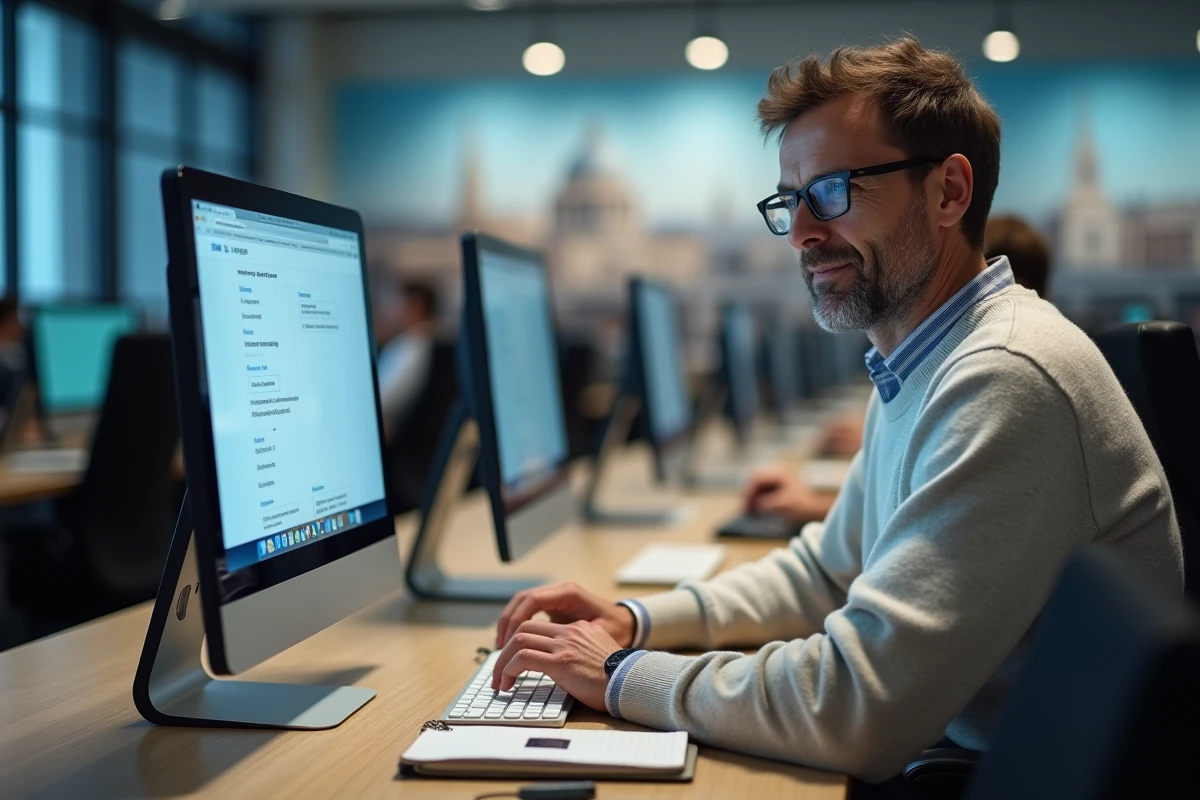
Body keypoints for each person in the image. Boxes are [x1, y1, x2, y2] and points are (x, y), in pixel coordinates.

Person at [487, 38, 1183, 784]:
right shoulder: (924, 356)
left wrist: (624, 673)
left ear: (949, 192)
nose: (801, 233)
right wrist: (636, 620)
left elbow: (856, 709)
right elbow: (829, 570)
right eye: (791, 200)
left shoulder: (1004, 375)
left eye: (833, 191)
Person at [374, 278, 439, 433]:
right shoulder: (415, 342)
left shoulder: (414, 347)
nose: (392, 310)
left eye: (396, 302)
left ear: (417, 305)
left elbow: (384, 400)